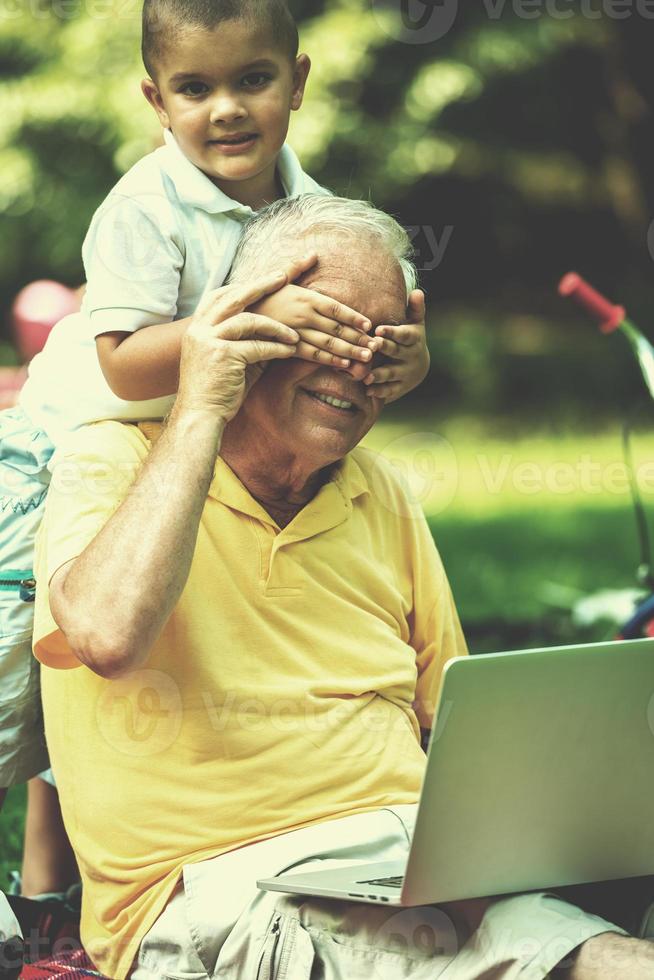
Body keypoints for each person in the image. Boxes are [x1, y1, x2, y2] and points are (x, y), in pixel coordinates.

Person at [29, 195, 654, 980]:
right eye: (322, 330)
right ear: (244, 323)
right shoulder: (114, 460)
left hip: (416, 871)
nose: (355, 365)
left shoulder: (381, 492)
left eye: (380, 342)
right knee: (576, 966)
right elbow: (106, 635)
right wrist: (200, 404)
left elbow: (459, 730)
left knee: (602, 947)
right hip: (221, 893)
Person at [0, 0, 429, 943]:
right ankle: (30, 894)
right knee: (23, 683)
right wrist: (222, 336)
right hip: (70, 436)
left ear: (300, 83)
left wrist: (409, 356)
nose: (227, 109)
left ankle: (46, 900)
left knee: (96, 703)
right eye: (196, 89)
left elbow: (365, 313)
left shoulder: (301, 203)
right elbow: (118, 361)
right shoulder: (143, 210)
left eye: (253, 80)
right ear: (157, 101)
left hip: (201, 439)